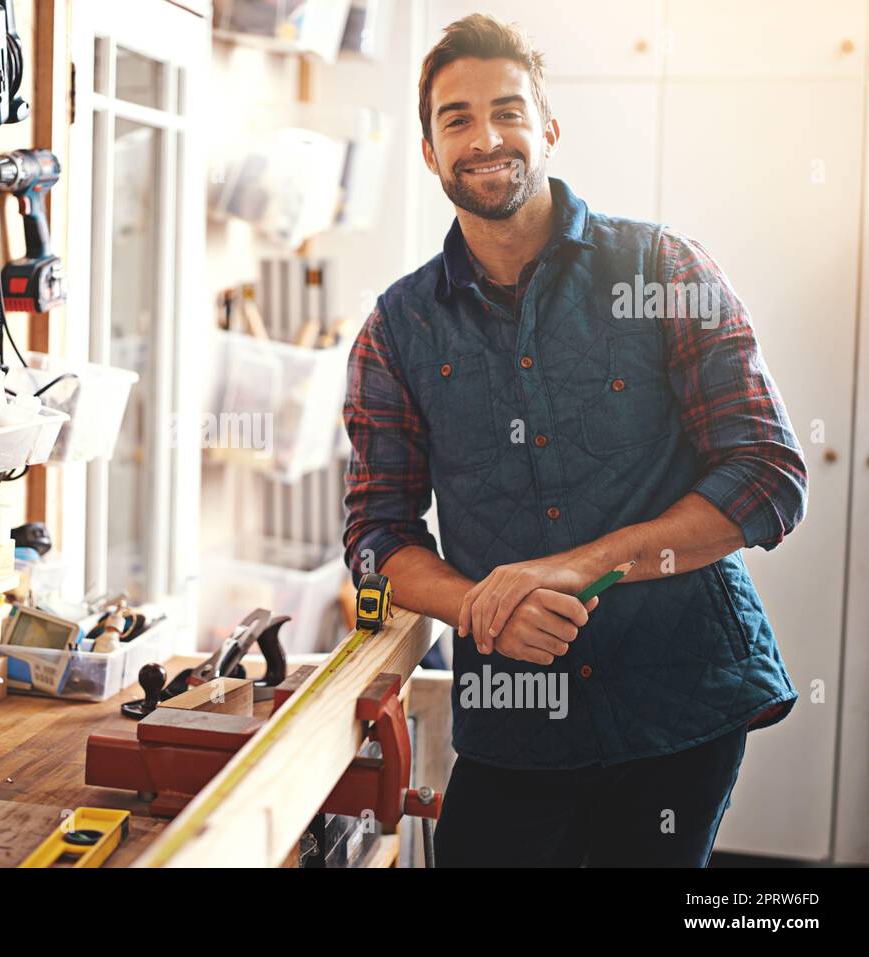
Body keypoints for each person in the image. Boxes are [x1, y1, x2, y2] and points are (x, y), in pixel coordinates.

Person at [342, 13, 807, 866]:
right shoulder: (397, 330)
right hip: (516, 722)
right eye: (456, 119)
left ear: (548, 128)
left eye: (509, 111)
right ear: (429, 152)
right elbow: (378, 536)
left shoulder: (664, 270)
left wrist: (578, 567)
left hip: (680, 702)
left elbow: (768, 476)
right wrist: (478, 607)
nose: (486, 137)